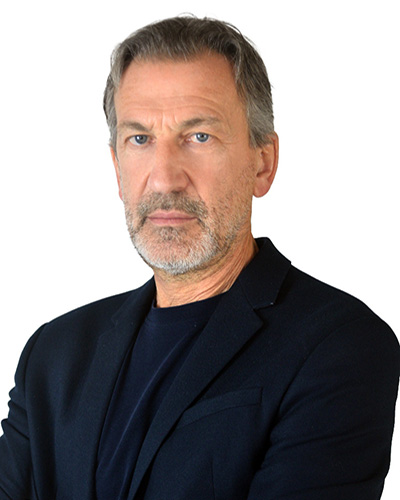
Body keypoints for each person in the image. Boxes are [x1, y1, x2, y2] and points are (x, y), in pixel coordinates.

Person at [0, 15, 399, 500]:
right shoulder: (54, 354)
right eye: (140, 139)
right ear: (118, 168)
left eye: (199, 137)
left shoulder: (339, 346)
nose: (165, 178)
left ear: (263, 163)